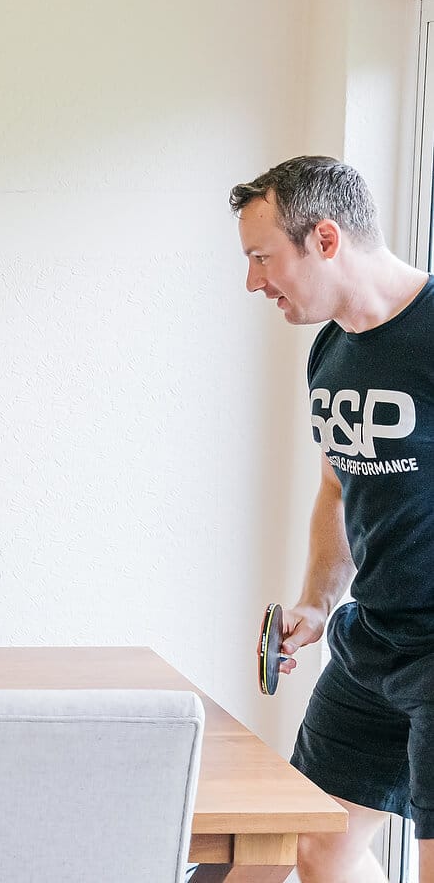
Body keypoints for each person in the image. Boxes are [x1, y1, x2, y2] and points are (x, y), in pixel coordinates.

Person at [234, 155, 434, 882]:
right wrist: (319, 601)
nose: (255, 282)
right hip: (373, 645)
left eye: (263, 258)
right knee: (315, 846)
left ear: (324, 238)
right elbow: (338, 488)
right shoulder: (332, 353)